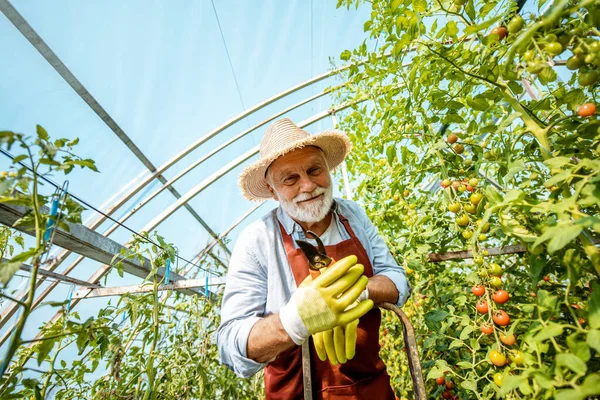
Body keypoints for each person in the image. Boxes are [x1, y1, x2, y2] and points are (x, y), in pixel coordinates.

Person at [216, 118, 410, 399]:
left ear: (327, 169)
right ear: (272, 191)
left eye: (314, 170)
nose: (308, 185)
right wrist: (294, 321)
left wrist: (357, 292)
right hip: (297, 393)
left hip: (370, 388)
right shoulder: (257, 240)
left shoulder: (352, 216)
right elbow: (230, 344)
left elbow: (397, 280)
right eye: (290, 179)